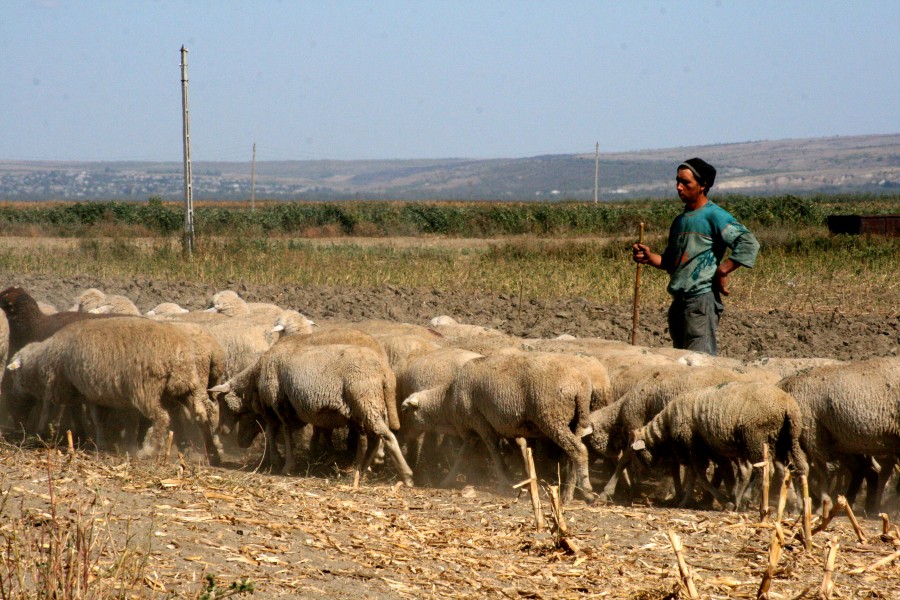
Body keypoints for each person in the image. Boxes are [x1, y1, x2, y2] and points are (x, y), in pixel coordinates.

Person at [632, 158, 759, 356]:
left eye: (685, 182)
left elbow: (748, 242)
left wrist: (723, 269)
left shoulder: (714, 216)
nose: (678, 187)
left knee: (700, 364)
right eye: (677, 181)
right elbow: (670, 263)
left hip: (700, 301)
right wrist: (649, 257)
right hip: (679, 304)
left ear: (702, 185)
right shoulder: (680, 221)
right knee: (682, 362)